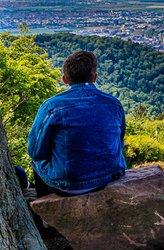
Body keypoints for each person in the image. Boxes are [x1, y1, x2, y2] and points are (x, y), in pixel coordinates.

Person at [27, 50, 126, 197]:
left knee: (36, 163)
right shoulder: (115, 104)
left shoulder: (51, 107)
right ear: (95, 77)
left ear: (64, 80)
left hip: (69, 185)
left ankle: (42, 213)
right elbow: (119, 142)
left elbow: (35, 152)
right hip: (110, 176)